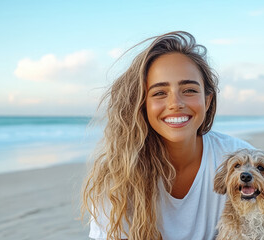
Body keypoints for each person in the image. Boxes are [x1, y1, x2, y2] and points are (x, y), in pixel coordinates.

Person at [81, 31, 253, 240]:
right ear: (142, 105)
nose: (175, 103)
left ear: (207, 101)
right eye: (159, 93)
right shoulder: (116, 178)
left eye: (189, 90)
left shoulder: (242, 161)